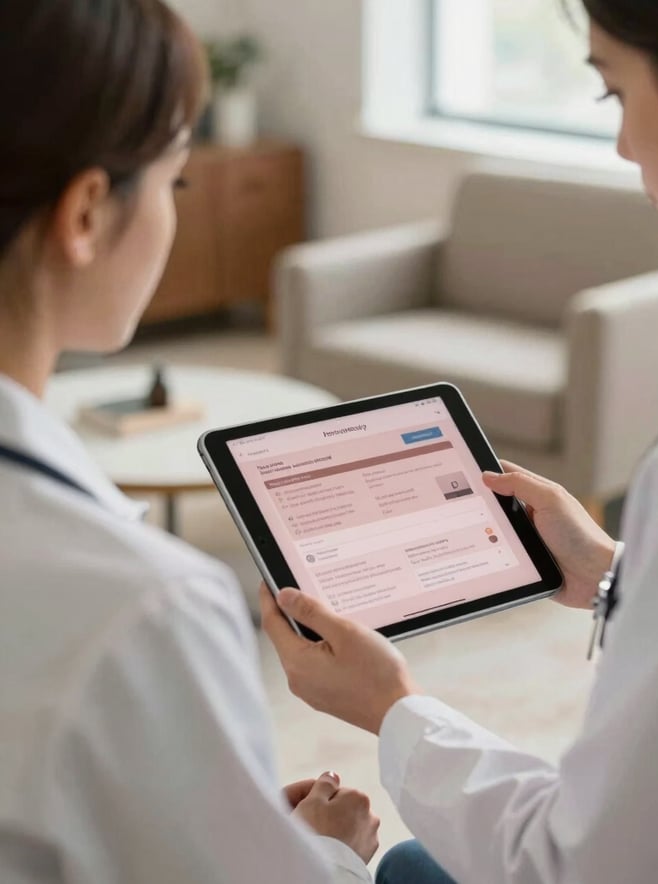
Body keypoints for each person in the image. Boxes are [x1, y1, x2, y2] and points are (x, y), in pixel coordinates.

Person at [261, 1, 658, 881]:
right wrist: (613, 577)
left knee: (386, 866)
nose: (624, 146)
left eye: (615, 93)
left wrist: (393, 707)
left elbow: (589, 867)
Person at [0, 2, 381, 882]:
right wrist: (327, 855)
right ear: (86, 213)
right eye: (175, 182)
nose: (173, 211)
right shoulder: (143, 608)